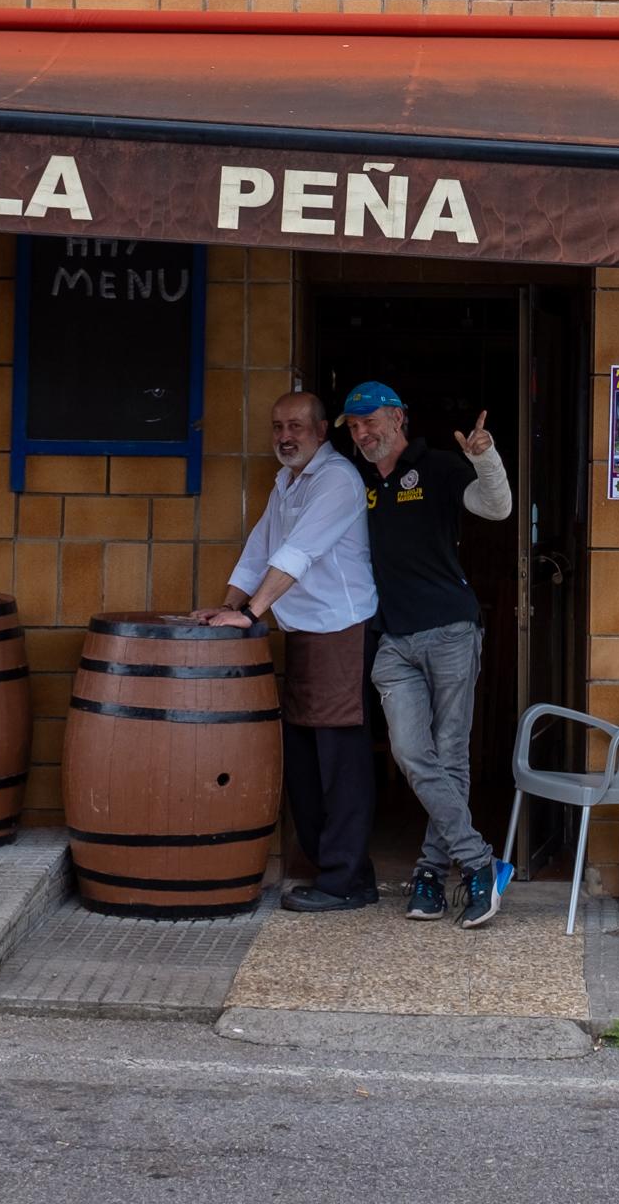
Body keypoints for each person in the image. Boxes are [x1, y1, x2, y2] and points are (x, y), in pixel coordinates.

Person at [342, 380, 512, 928]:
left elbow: (497, 508)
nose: (362, 433)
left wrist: (486, 459)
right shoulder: (355, 478)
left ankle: (430, 876)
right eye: (353, 425)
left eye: (370, 421)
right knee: (413, 754)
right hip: (393, 638)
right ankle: (480, 862)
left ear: (398, 418)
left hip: (451, 630)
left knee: (449, 754)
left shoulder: (436, 466)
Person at [202, 390, 378, 913]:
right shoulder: (285, 482)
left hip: (341, 631)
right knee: (304, 761)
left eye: (297, 426)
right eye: (278, 426)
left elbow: (298, 553)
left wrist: (251, 614)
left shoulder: (338, 480)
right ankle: (332, 869)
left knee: (340, 764)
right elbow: (261, 547)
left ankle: (347, 879)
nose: (285, 436)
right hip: (301, 631)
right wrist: (227, 605)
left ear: (322, 431)